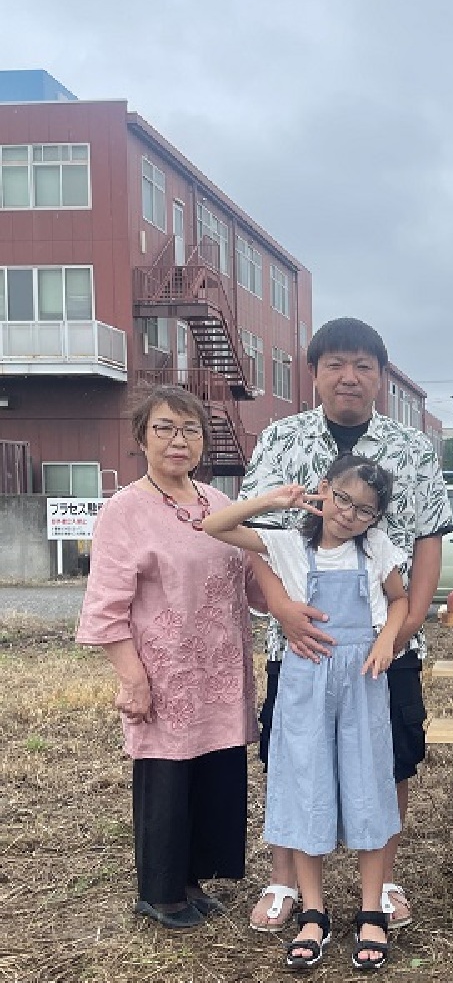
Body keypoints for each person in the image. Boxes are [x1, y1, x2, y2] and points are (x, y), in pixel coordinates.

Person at [238, 318, 453, 933]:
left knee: (391, 755)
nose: (349, 377)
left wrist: (406, 624)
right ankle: (285, 882)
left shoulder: (410, 449)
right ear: (314, 373)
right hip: (299, 640)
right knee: (293, 755)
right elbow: (257, 541)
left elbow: (429, 539)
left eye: (363, 366)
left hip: (384, 638)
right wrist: (278, 606)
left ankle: (380, 887)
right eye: (335, 364)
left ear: (381, 377)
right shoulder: (281, 439)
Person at [203, 455, 408, 970]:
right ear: (323, 491)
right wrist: (275, 500)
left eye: (365, 510)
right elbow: (214, 525)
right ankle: (312, 913)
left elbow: (399, 600)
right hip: (306, 678)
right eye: (342, 498)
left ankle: (370, 912)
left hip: (363, 680)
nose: (349, 514)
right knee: (306, 785)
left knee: (367, 788)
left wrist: (387, 638)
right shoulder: (288, 543)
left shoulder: (376, 549)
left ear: (375, 518)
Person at [76, 386, 259, 930]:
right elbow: (107, 606)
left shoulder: (220, 505)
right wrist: (132, 679)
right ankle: (159, 891)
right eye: (165, 428)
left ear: (203, 442)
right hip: (164, 672)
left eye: (190, 430)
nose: (179, 440)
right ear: (142, 437)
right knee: (166, 780)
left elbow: (253, 580)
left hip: (221, 668)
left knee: (211, 772)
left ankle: (192, 879)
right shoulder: (124, 511)